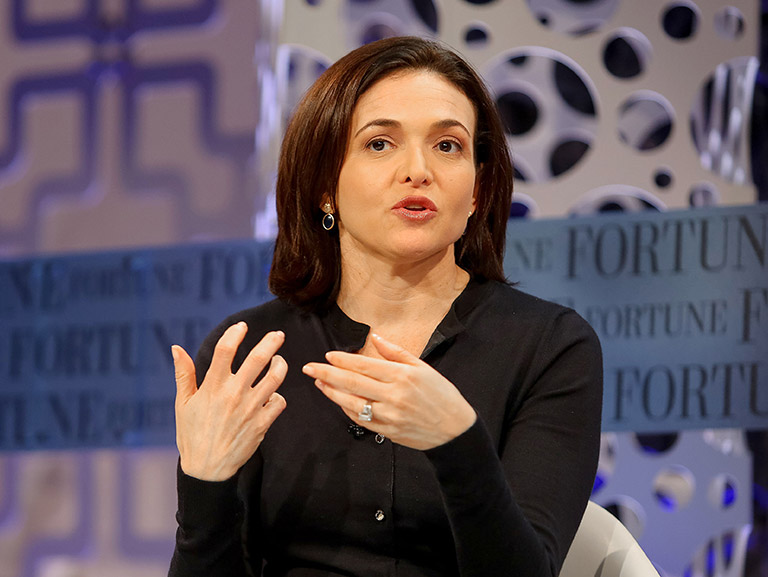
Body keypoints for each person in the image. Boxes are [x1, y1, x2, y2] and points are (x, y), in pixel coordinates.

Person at [169, 36, 602, 577]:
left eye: (448, 146)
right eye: (379, 144)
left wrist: (457, 442)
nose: (418, 170)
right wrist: (204, 484)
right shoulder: (254, 354)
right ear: (324, 186)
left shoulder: (550, 347)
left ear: (477, 191)